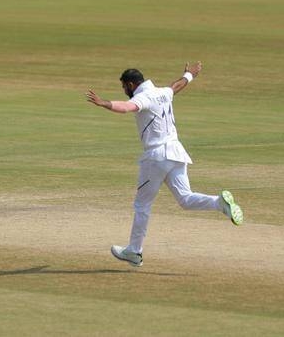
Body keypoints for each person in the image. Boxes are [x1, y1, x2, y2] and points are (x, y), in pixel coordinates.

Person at [85, 61, 243, 267]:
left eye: (124, 87)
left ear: (131, 85)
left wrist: (103, 103)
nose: (124, 91)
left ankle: (134, 251)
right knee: (185, 199)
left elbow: (126, 107)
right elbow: (176, 86)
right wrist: (189, 75)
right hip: (176, 152)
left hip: (156, 157)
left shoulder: (143, 97)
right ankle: (219, 204)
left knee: (142, 205)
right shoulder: (162, 92)